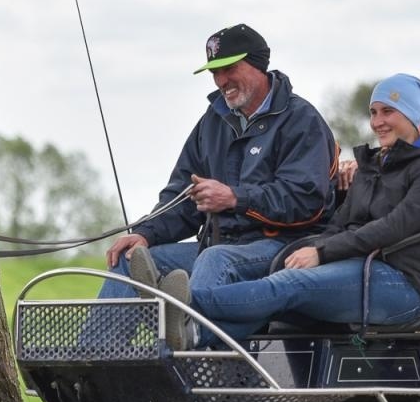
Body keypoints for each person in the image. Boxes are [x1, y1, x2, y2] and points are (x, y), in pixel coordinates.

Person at [178, 75, 420, 347]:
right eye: (373, 112)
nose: (377, 122)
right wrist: (311, 247)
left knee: (290, 284)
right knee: (279, 292)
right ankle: (197, 337)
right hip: (358, 267)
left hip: (401, 285)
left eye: (388, 112)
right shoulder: (372, 167)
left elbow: (390, 228)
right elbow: (338, 224)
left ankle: (187, 305)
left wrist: (321, 253)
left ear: (412, 114)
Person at [97, 23, 336, 309]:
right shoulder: (212, 122)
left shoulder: (301, 119)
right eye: (214, 72)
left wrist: (235, 199)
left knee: (216, 258)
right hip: (218, 245)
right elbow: (182, 194)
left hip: (282, 245)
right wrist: (147, 233)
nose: (221, 80)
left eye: (229, 68)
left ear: (257, 64)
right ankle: (97, 352)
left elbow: (306, 199)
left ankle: (196, 348)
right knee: (132, 258)